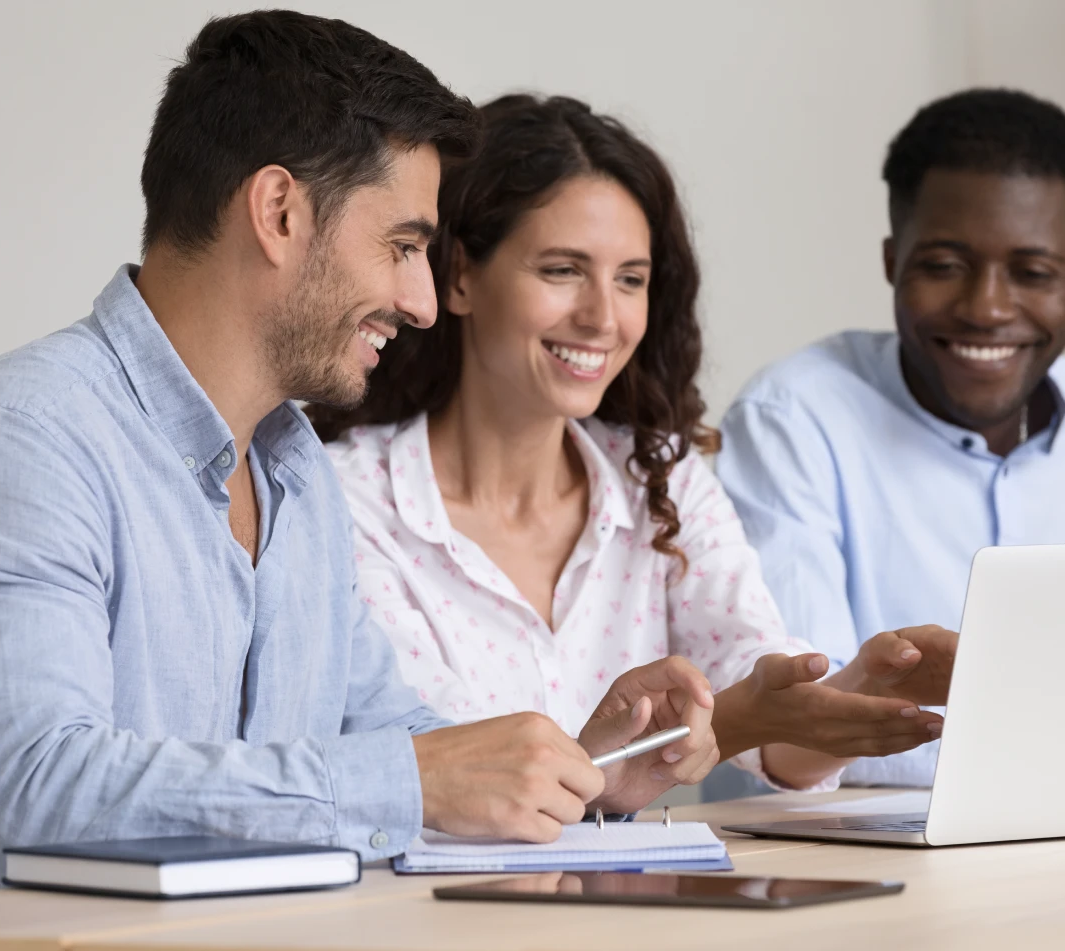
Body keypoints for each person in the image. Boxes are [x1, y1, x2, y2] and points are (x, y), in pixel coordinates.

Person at [0, 13, 717, 893]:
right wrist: (410, 782)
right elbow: (30, 789)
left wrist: (576, 775)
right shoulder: (24, 436)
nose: (424, 302)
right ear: (278, 212)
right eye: (403, 246)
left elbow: (389, 735)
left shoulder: (297, 471)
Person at [310, 94, 946, 805]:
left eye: (631, 280)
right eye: (561, 270)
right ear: (458, 275)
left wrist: (857, 690)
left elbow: (767, 705)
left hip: (623, 910)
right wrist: (684, 737)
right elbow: (441, 770)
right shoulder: (344, 499)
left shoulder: (662, 477)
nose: (603, 318)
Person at [714, 88, 1065, 792]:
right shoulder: (793, 420)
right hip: (838, 846)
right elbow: (790, 737)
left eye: (1033, 273)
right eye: (944, 265)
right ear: (893, 261)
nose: (986, 308)